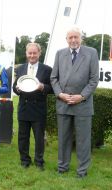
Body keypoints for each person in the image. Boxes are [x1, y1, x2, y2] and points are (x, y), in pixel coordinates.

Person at [50, 26, 99, 178]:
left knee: (83, 140)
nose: (73, 40)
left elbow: (93, 80)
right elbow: (54, 78)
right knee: (64, 138)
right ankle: (62, 167)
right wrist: (60, 94)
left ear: (81, 38)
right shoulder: (60, 54)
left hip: (82, 104)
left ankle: (82, 171)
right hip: (63, 103)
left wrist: (82, 96)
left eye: (75, 37)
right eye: (70, 37)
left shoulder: (91, 53)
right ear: (66, 39)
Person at [13, 43, 53, 169]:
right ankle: (24, 160)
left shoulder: (47, 69)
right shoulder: (20, 68)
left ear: (39, 53)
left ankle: (39, 161)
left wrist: (43, 87)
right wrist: (17, 89)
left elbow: (52, 88)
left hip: (39, 108)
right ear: (26, 53)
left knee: (39, 138)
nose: (32, 55)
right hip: (24, 108)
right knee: (23, 137)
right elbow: (15, 87)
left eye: (34, 53)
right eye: (29, 53)